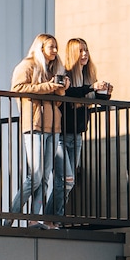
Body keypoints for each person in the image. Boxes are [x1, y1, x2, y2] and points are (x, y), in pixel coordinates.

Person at [9, 34, 68, 218]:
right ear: (41, 48)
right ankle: (12, 216)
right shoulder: (28, 65)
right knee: (35, 175)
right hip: (34, 125)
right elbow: (17, 89)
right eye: (51, 47)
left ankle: (35, 219)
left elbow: (56, 102)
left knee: (44, 178)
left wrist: (61, 89)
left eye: (56, 47)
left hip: (53, 126)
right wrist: (49, 86)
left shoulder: (52, 70)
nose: (55, 50)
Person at [53, 38, 113, 216]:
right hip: (60, 135)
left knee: (67, 182)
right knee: (67, 180)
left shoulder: (88, 76)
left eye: (86, 50)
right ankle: (53, 218)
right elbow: (70, 93)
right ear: (73, 53)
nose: (85, 54)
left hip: (77, 135)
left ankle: (52, 219)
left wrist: (105, 93)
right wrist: (90, 88)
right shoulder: (64, 75)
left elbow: (93, 98)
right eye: (80, 51)